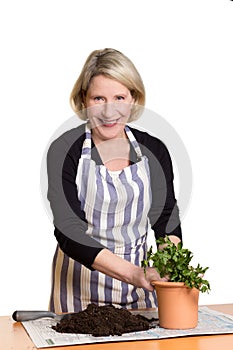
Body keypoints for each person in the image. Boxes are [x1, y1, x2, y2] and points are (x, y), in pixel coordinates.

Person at [47, 48, 182, 313]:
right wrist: (134, 274)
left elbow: (165, 218)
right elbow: (68, 229)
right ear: (84, 100)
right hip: (79, 295)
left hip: (141, 293)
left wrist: (166, 271)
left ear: (134, 99)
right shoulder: (64, 150)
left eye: (119, 97)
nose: (109, 111)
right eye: (99, 98)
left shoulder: (154, 150)